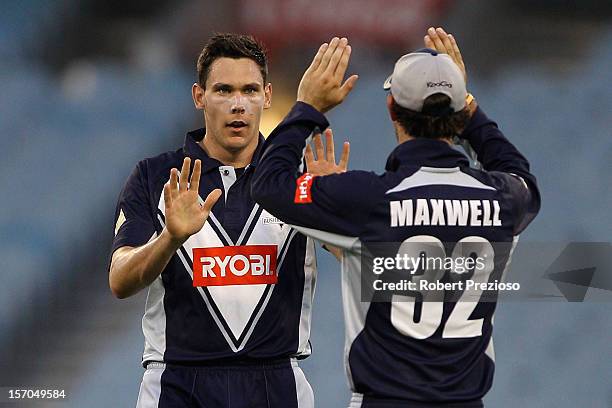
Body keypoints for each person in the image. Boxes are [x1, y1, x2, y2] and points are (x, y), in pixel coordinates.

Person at [251, 29, 541, 408]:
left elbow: (268, 185)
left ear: (392, 108)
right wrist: (468, 108)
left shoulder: (369, 199)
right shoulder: (503, 199)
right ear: (457, 113)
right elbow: (520, 177)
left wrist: (308, 108)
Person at [108, 33, 347, 408]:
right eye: (223, 90)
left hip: (278, 382)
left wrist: (335, 213)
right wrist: (169, 237)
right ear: (199, 96)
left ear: (267, 96)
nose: (239, 105)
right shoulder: (156, 176)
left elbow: (362, 261)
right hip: (175, 382)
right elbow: (120, 280)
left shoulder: (299, 177)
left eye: (250, 91)